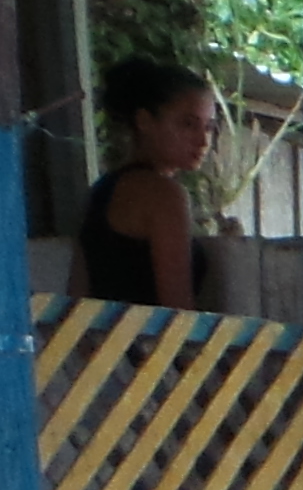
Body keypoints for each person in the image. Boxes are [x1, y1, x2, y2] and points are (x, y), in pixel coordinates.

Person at [76, 55, 218, 311]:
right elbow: (178, 308)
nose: (202, 140)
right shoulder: (164, 195)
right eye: (188, 124)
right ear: (145, 122)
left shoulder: (102, 190)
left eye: (208, 127)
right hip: (151, 347)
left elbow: (76, 295)